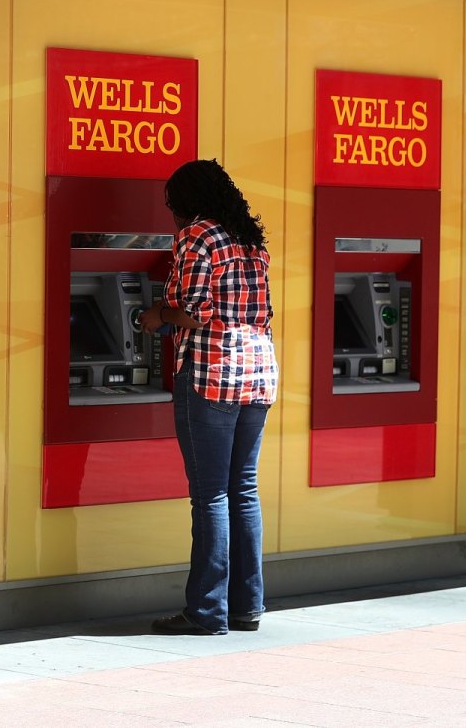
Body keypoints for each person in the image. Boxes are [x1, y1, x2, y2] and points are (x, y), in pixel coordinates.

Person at [140, 159, 279, 636]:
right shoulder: (250, 241)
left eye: (171, 205)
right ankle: (247, 607)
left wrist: (154, 315)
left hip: (211, 372)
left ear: (185, 201)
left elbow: (193, 313)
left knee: (211, 495)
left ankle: (205, 612)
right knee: (243, 489)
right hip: (258, 372)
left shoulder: (197, 235)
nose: (172, 215)